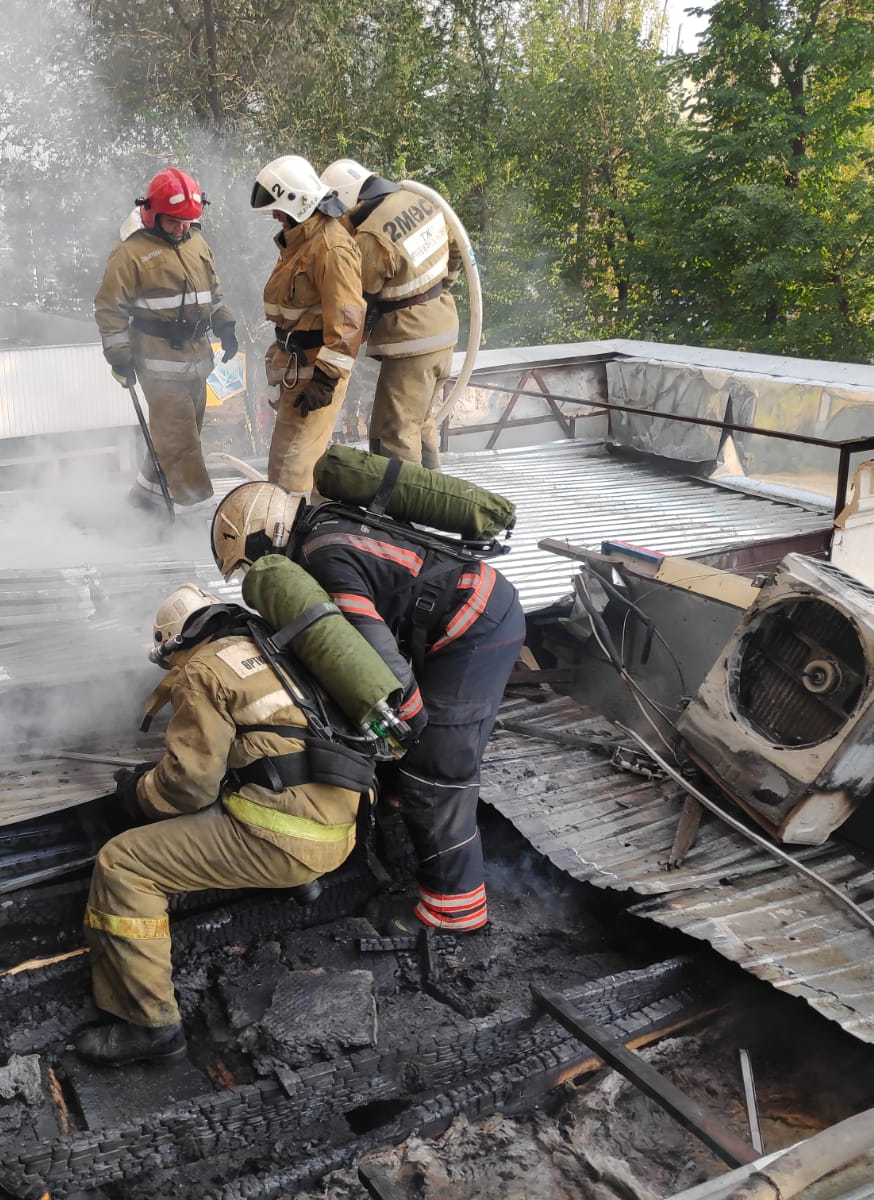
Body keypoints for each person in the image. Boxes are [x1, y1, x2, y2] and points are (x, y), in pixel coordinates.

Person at [208, 481, 525, 932]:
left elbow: (378, 659)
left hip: (474, 628)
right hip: (463, 612)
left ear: (265, 538)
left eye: (249, 565)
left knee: (435, 774)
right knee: (419, 760)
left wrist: (408, 728)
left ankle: (455, 913)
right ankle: (414, 847)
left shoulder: (324, 559)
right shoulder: (326, 522)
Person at [78, 583, 369, 1066]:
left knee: (123, 864)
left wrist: (137, 793)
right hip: (343, 826)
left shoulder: (202, 670)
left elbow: (188, 787)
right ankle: (301, 884)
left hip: (287, 838)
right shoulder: (276, 647)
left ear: (175, 643)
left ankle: (151, 1025)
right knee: (247, 784)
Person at [95, 168, 237, 511]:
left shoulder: (197, 242)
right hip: (157, 365)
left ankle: (144, 503)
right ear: (152, 213)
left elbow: (212, 293)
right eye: (174, 221)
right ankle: (193, 513)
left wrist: (225, 325)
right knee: (180, 441)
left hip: (197, 359)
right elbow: (109, 308)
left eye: (188, 220)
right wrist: (119, 356)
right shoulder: (130, 254)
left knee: (177, 440)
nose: (181, 228)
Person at [320, 159, 460, 470]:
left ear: (346, 199)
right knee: (421, 426)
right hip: (444, 329)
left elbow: (358, 302)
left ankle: (403, 515)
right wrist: (436, 294)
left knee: (392, 436)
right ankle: (434, 506)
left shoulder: (370, 235)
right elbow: (456, 252)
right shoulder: (420, 202)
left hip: (411, 344)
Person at [249, 155, 366, 496]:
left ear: (297, 203)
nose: (275, 217)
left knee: (291, 473)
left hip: (315, 373)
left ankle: (290, 542)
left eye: (278, 209)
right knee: (289, 464)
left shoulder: (330, 248)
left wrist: (325, 381)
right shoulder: (302, 242)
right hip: (297, 368)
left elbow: (347, 322)